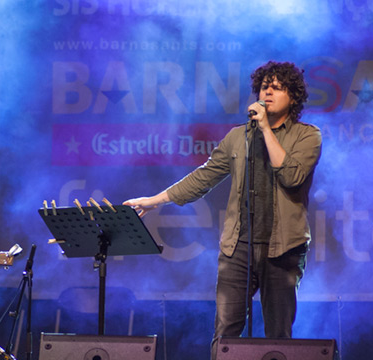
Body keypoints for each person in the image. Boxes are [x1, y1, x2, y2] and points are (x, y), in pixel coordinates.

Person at [124, 61, 321, 341]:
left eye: (277, 88)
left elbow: (291, 177)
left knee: (278, 334)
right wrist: (155, 200)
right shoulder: (237, 137)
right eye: (264, 87)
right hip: (238, 247)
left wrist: (266, 130)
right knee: (226, 330)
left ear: (293, 97)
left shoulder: (307, 135)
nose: (268, 93)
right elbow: (203, 177)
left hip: (284, 248)